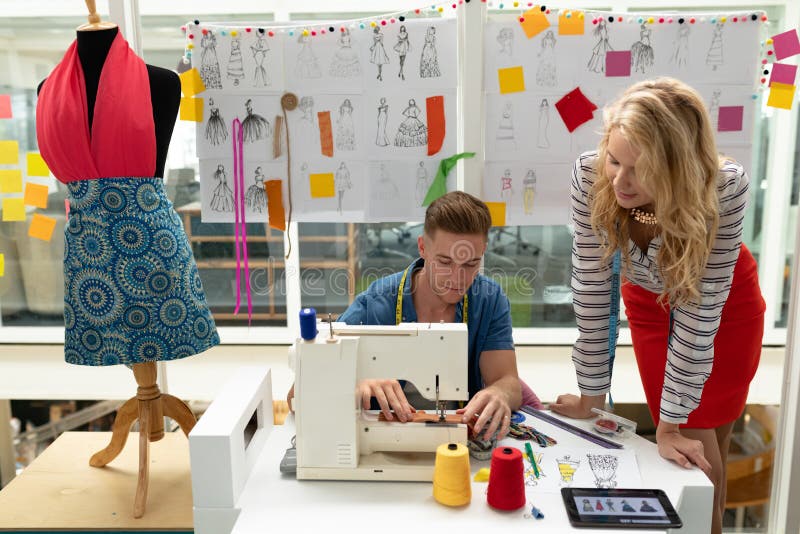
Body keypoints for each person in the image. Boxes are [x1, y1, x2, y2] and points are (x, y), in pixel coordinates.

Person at [551, 78, 765, 534]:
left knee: (705, 439)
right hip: (648, 301)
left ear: (678, 166)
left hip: (722, 305)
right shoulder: (589, 174)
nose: (620, 181)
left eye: (641, 170)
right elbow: (592, 289)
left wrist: (668, 426)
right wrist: (592, 396)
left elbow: (700, 308)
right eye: (614, 160)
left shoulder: (725, 186)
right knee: (701, 446)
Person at [288, 191, 542, 440]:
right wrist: (354, 388)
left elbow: (509, 382)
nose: (458, 279)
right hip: (385, 443)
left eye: (470, 264)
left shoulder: (489, 300)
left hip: (463, 443)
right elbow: (295, 396)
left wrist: (500, 393)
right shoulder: (375, 305)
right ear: (423, 247)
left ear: (483, 251)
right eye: (444, 262)